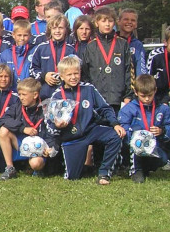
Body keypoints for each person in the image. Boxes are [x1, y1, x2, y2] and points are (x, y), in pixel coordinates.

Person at [41, 55, 125, 185]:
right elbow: (49, 124)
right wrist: (58, 126)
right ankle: (83, 166)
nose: (73, 77)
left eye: (76, 73)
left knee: (115, 136)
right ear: (61, 76)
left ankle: (104, 173)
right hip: (71, 137)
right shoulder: (57, 96)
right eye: (69, 74)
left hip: (91, 130)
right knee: (73, 177)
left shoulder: (89, 89)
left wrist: (115, 124)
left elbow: (105, 108)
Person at [117, 75, 170, 183]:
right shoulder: (129, 108)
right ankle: (136, 170)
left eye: (150, 95)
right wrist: (135, 136)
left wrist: (162, 131)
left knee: (162, 159)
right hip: (135, 147)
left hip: (154, 146)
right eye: (143, 96)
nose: (147, 99)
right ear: (136, 92)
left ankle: (146, 168)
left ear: (155, 91)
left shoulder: (163, 108)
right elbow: (122, 126)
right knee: (135, 146)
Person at [146, 24, 170, 172]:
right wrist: (149, 97)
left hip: (165, 98)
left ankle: (166, 159)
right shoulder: (155, 56)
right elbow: (147, 76)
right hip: (151, 96)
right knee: (151, 126)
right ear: (165, 42)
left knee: (167, 127)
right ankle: (151, 156)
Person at [81, 6, 133, 113]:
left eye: (110, 21)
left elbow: (129, 71)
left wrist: (128, 95)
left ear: (114, 23)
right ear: (96, 23)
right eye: (103, 21)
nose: (107, 24)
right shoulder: (91, 46)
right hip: (97, 99)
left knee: (119, 128)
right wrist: (90, 95)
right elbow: (85, 74)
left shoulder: (122, 44)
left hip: (118, 99)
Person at [0, 78, 47, 179]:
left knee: (36, 163)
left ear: (35, 95)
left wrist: (48, 146)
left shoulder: (45, 108)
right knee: (3, 130)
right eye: (19, 94)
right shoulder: (17, 107)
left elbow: (52, 130)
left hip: (40, 147)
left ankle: (37, 169)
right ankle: (10, 168)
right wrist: (22, 128)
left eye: (24, 95)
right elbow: (2, 120)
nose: (21, 98)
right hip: (21, 144)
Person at [30, 14, 76, 100]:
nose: (57, 31)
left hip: (66, 95)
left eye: (61, 28)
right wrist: (44, 76)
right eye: (54, 28)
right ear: (49, 30)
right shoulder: (41, 48)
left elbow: (76, 71)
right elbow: (32, 69)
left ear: (66, 30)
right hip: (45, 95)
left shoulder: (71, 50)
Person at [0, 19, 33, 91]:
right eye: (19, 35)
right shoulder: (5, 54)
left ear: (30, 35)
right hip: (10, 94)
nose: (22, 38)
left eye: (25, 35)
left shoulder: (35, 51)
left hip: (29, 92)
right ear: (13, 35)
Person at [117, 8, 147, 77]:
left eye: (133, 20)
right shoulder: (111, 41)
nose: (129, 22)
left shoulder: (137, 45)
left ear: (136, 24)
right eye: (126, 19)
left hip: (131, 84)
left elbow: (141, 67)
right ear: (118, 22)